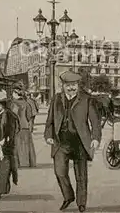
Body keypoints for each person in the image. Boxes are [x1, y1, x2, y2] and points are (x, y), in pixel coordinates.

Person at [44, 71, 102, 212]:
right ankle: (68, 196)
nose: (71, 88)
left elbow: (95, 122)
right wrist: (48, 135)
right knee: (60, 172)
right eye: (68, 85)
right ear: (63, 86)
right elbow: (50, 121)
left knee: (81, 175)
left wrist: (95, 138)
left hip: (80, 142)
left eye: (74, 85)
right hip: (61, 142)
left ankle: (81, 203)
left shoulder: (87, 99)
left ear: (78, 85)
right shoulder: (56, 99)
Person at [11, 81, 37, 167]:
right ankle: (27, 162)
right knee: (25, 145)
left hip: (16, 127)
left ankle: (18, 163)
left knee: (17, 145)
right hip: (24, 126)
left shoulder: (11, 103)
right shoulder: (26, 103)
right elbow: (29, 116)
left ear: (14, 92)